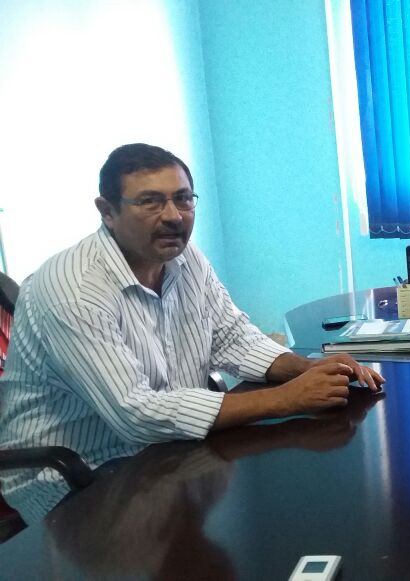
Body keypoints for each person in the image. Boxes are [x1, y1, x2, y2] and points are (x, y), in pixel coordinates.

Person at [0, 143, 385, 521]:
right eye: (150, 201)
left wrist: (309, 369)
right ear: (107, 211)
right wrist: (288, 399)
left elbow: (233, 336)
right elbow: (136, 413)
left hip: (163, 453)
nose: (173, 216)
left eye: (183, 199)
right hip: (73, 475)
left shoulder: (185, 258)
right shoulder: (73, 289)